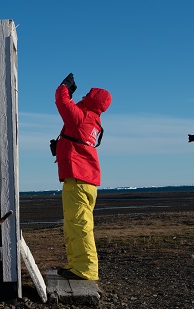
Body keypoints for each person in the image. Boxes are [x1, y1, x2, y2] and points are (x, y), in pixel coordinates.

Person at [53, 73, 112, 281]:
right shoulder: (94, 121)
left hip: (78, 180)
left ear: (94, 99)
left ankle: (85, 270)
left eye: (89, 94)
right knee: (75, 225)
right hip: (84, 180)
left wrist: (64, 87)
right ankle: (76, 265)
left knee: (79, 225)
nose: (85, 95)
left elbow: (62, 102)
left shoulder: (83, 117)